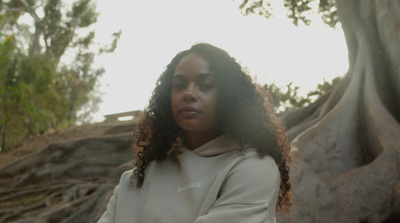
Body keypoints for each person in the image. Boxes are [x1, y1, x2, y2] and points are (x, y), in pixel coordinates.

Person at [98, 42, 291, 223]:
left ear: (229, 98)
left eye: (205, 85)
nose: (188, 93)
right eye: (179, 86)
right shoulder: (135, 179)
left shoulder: (253, 168)